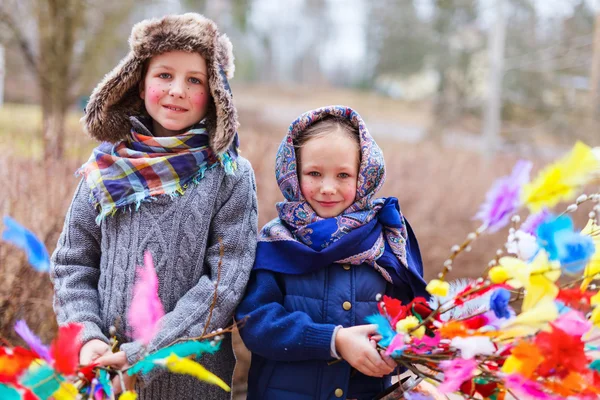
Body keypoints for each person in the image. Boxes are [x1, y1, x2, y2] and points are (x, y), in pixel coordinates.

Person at [50, 13, 258, 400]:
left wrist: (143, 354)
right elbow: (72, 263)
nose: (177, 90)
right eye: (164, 75)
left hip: (189, 383)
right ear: (139, 82)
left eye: (194, 80)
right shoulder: (106, 169)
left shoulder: (229, 176)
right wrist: (86, 336)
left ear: (215, 91)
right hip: (102, 377)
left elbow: (222, 287)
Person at [236, 105, 430, 400]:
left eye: (343, 175)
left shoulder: (386, 243)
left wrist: (395, 350)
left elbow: (412, 320)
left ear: (363, 177)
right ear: (293, 173)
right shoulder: (276, 243)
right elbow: (256, 324)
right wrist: (334, 341)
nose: (328, 187)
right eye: (314, 173)